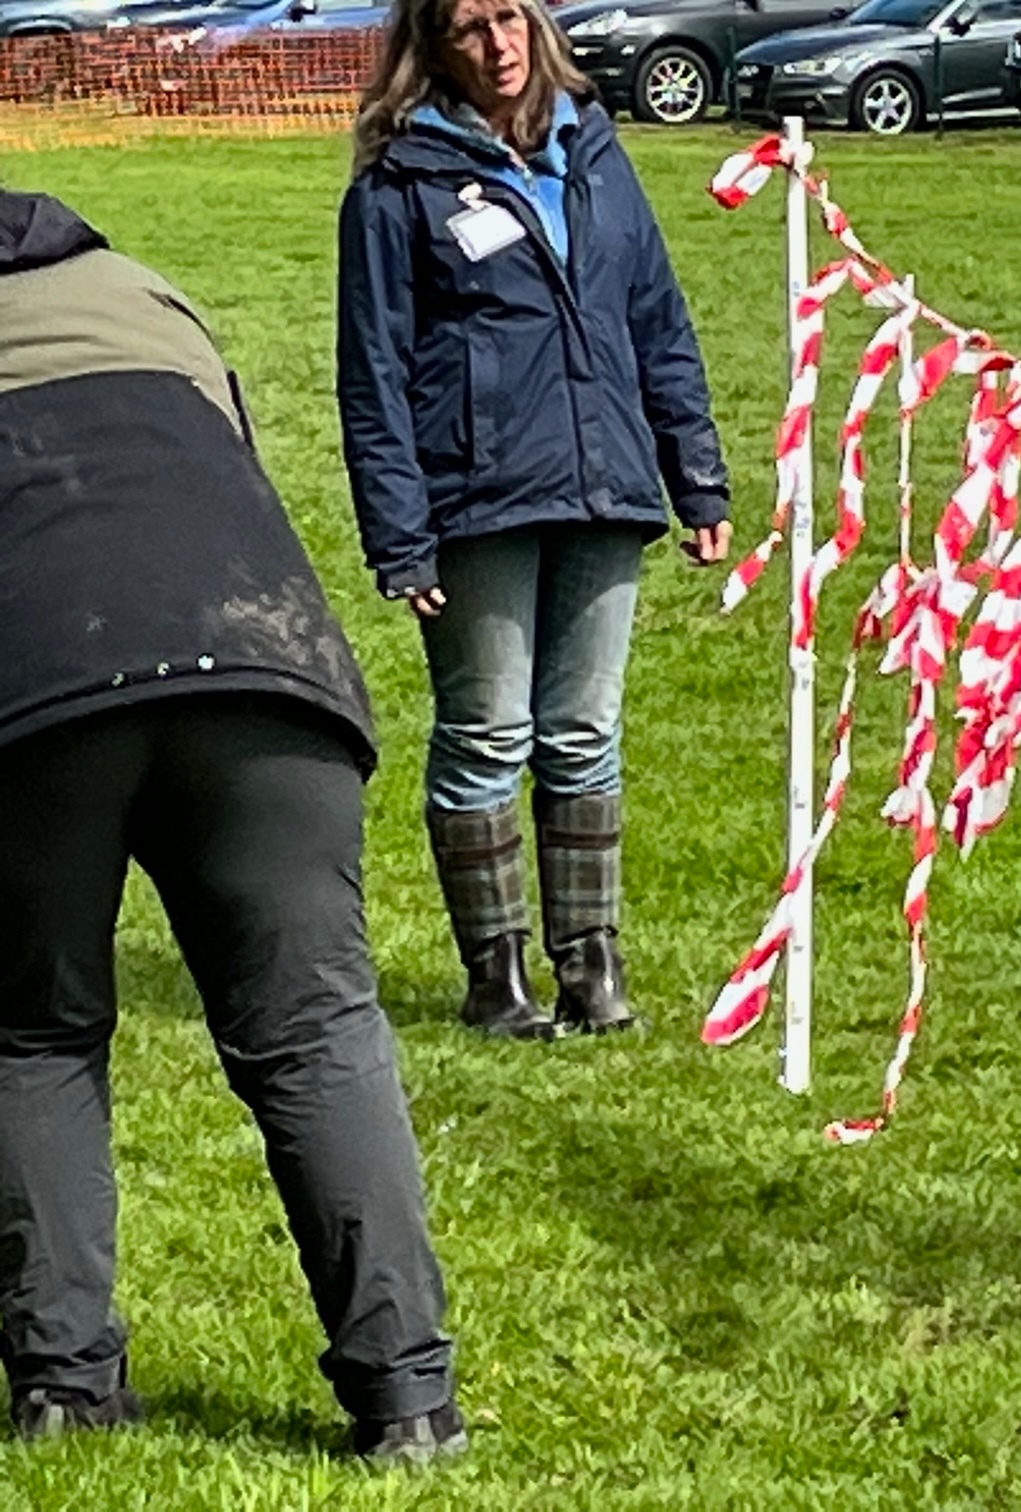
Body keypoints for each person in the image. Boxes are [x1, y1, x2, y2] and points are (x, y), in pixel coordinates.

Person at [0, 190, 463, 1461]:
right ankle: (408, 1399)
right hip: (264, 667)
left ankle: (63, 1388)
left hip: (40, 697)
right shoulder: (147, 291)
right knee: (316, 1030)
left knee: (32, 1033)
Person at [337, 0, 733, 1042]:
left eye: (511, 16)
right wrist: (401, 535)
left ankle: (591, 970)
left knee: (585, 733)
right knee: (486, 736)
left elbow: (657, 320)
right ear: (431, 47)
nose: (499, 45)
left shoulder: (594, 149)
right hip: (476, 497)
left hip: (606, 486)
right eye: (470, 26)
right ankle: (496, 979)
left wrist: (696, 477)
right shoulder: (396, 183)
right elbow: (372, 375)